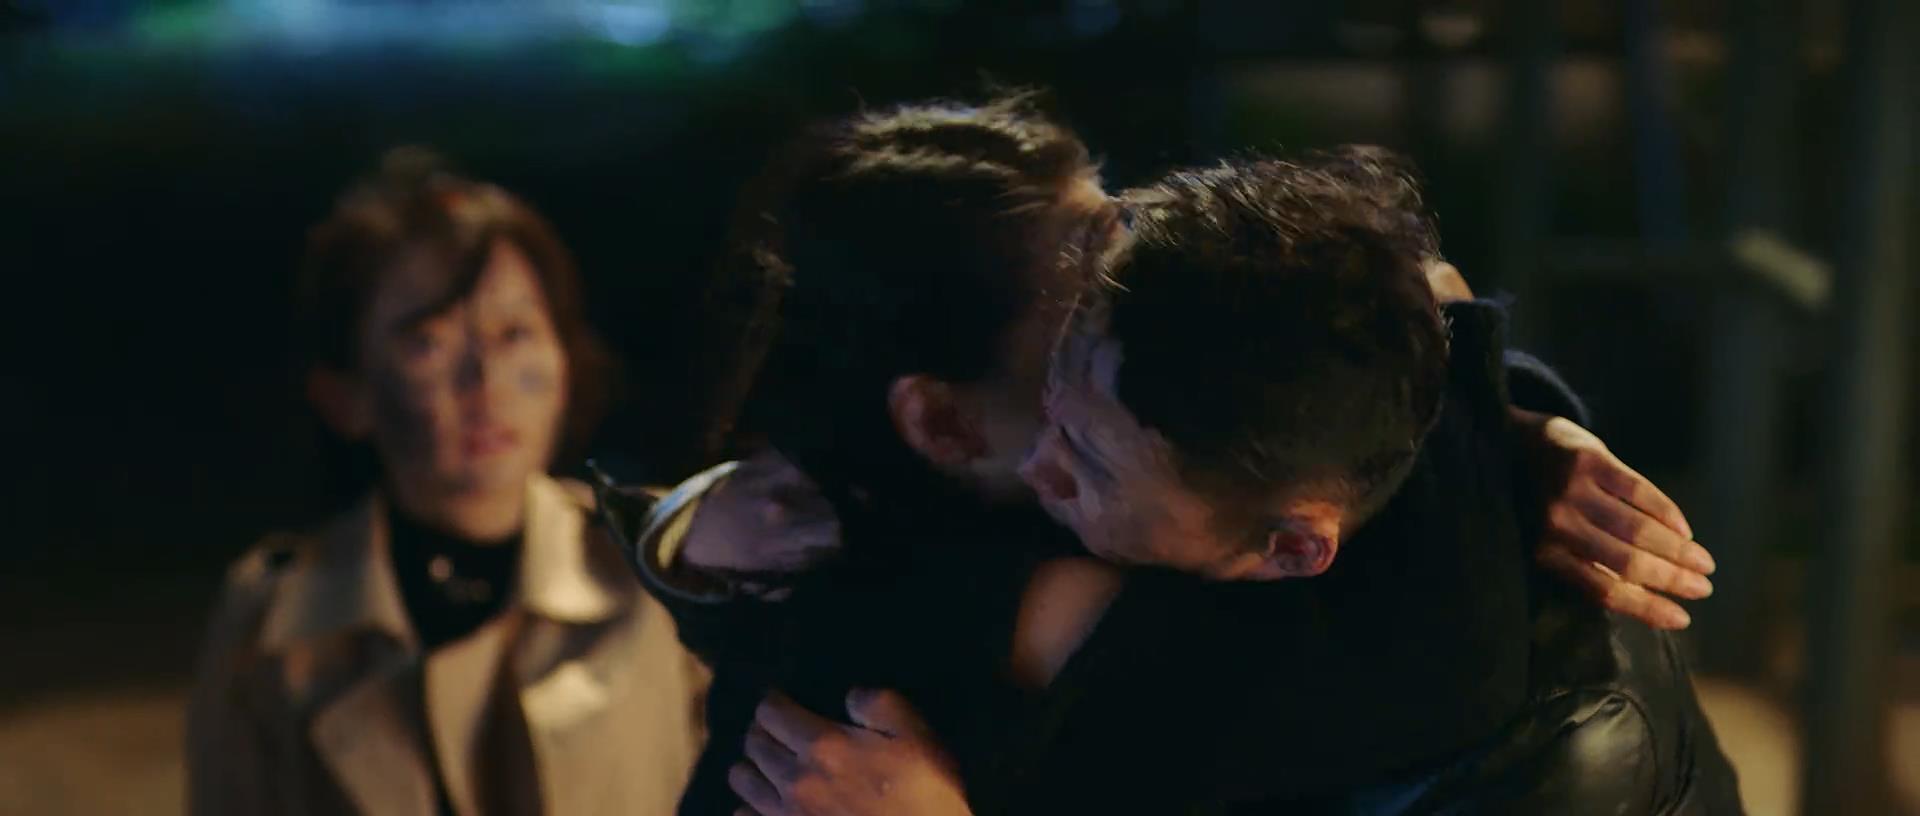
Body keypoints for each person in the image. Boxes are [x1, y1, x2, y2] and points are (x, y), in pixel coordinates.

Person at [602, 99, 1720, 813]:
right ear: (942, 424)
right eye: (1080, 316)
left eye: (1125, 238)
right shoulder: (985, 611)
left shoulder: (1144, 498)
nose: (1154, 299)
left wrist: (1511, 416)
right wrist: (1472, 377)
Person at [186, 151, 709, 816]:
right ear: (344, 395)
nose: (486, 380)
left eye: (516, 333)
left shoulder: (662, 571)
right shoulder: (273, 621)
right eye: (428, 342)